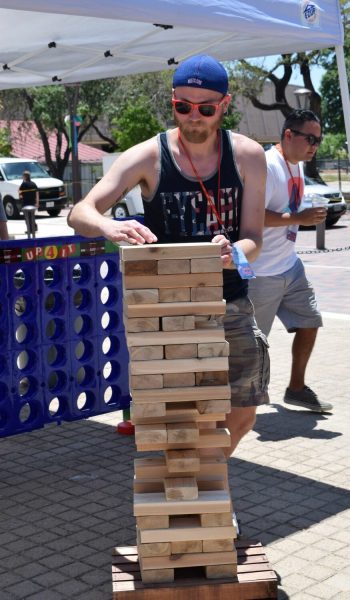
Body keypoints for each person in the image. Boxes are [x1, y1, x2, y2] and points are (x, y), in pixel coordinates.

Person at [68, 54, 269, 456]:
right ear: (173, 101)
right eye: (183, 107)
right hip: (167, 311)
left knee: (242, 414)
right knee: (186, 418)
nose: (194, 117)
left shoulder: (248, 156)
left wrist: (234, 256)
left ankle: (207, 478)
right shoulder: (147, 156)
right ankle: (199, 500)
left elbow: (253, 240)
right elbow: (80, 212)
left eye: (206, 108)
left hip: (230, 302)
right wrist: (110, 226)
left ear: (224, 106)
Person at [249, 109, 333, 413]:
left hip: (290, 265)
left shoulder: (295, 165)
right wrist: (299, 217)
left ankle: (296, 389)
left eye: (318, 140)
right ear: (288, 135)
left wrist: (302, 214)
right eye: (310, 138)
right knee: (253, 344)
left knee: (310, 321)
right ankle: (241, 403)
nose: (315, 146)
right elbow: (254, 215)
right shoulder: (268, 165)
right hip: (261, 272)